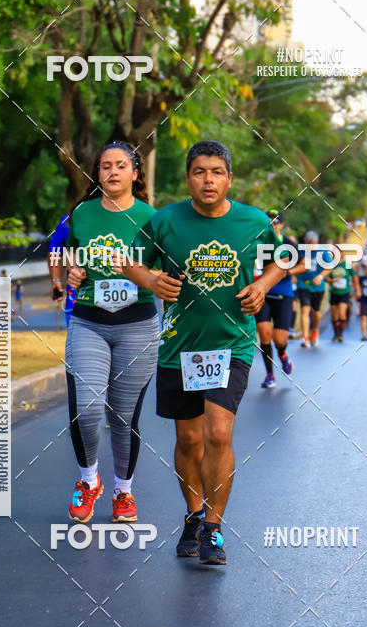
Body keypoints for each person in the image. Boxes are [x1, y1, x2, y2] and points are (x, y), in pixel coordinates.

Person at [115, 140, 288, 565]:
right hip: (180, 347)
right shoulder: (166, 220)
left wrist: (262, 286)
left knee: (217, 432)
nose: (208, 179)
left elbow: (283, 258)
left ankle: (213, 526)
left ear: (229, 178)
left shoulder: (253, 221)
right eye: (199, 172)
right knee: (188, 438)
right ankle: (193, 514)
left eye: (216, 172)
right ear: (188, 178)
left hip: (232, 344)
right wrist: (152, 281)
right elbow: (127, 261)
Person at [64, 141, 159, 525]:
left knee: (123, 418)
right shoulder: (83, 214)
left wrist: (143, 277)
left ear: (136, 173)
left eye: (122, 166)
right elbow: (72, 254)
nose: (113, 172)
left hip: (136, 324)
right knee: (86, 410)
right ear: (97, 173)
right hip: (89, 321)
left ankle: (124, 491)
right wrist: (73, 273)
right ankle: (89, 481)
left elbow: (166, 273)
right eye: (105, 166)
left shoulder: (153, 218)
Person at [255, 209, 301, 388]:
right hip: (263, 293)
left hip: (284, 294)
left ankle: (282, 353)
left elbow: (304, 264)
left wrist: (286, 272)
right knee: (264, 333)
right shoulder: (257, 242)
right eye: (269, 222)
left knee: (279, 339)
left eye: (275, 222)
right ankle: (269, 374)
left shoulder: (288, 244)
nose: (272, 225)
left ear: (281, 225)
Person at [295, 231, 332, 348]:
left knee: (316, 311)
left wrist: (321, 276)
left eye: (313, 244)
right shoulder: (300, 251)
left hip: (318, 286)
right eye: (309, 243)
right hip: (303, 284)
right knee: (305, 310)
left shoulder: (321, 251)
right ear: (305, 242)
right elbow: (292, 263)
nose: (311, 246)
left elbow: (330, 266)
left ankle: (315, 330)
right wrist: (293, 275)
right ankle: (305, 338)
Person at [49, 212, 77, 326]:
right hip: (77, 304)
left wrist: (56, 280)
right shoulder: (69, 220)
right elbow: (55, 251)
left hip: (125, 303)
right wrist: (56, 280)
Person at [326, 247, 359, 342]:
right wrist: (332, 280)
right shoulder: (330, 266)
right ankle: (335, 333)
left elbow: (355, 277)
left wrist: (357, 290)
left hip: (344, 293)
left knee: (342, 312)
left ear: (341, 254)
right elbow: (325, 278)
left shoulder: (347, 265)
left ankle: (340, 333)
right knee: (334, 315)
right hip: (334, 293)